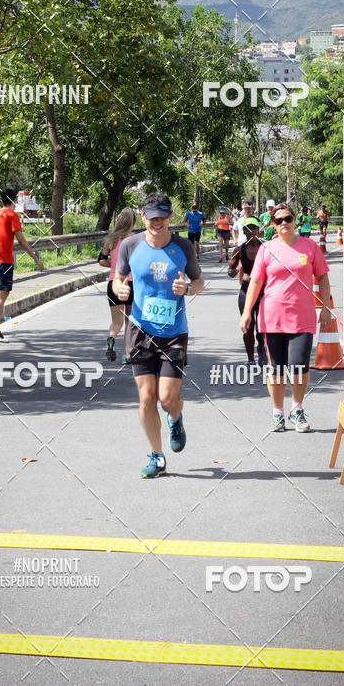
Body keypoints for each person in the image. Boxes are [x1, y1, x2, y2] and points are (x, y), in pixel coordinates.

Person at [113, 193, 205, 478]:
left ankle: (175, 417)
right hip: (140, 331)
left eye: (162, 216)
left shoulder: (183, 247)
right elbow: (117, 279)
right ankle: (157, 456)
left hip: (173, 333)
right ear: (143, 217)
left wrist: (188, 289)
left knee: (166, 398)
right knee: (146, 397)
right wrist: (120, 290)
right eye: (152, 216)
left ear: (170, 217)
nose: (157, 221)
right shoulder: (130, 245)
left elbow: (199, 281)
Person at [240, 202, 331, 432]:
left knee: (299, 365)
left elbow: (322, 278)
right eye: (278, 220)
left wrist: (327, 309)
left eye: (287, 219)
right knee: (277, 368)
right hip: (272, 317)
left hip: (302, 317)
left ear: (295, 220)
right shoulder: (266, 249)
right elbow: (256, 281)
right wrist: (246, 312)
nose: (283, 224)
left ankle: (297, 409)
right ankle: (277, 413)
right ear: (273, 224)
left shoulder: (309, 247)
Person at [0, 187, 45, 342]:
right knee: (2, 293)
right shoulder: (11, 216)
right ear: (14, 201)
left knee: (0, 293)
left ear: (2, 200)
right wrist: (36, 259)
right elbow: (22, 241)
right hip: (3, 260)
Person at [98, 208, 136, 362]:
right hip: (131, 283)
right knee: (130, 321)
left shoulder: (111, 240)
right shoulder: (135, 240)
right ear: (133, 222)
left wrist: (114, 266)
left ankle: (111, 338)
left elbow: (101, 260)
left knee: (117, 322)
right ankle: (127, 355)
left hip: (114, 283)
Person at [228, 217, 267, 365]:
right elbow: (230, 270)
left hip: (263, 292)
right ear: (244, 231)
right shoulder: (239, 250)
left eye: (254, 228)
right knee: (248, 327)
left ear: (259, 231)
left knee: (262, 326)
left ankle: (262, 347)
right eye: (248, 229)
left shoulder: (266, 248)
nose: (252, 232)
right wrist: (234, 270)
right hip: (245, 291)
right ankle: (250, 358)